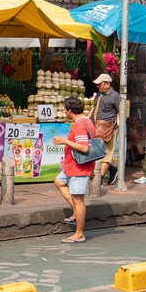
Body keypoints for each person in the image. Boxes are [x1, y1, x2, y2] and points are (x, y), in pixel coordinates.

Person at [53, 97, 96, 244]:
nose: (65, 112)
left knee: (78, 200)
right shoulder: (86, 120)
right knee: (59, 181)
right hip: (73, 165)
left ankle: (79, 234)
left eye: (65, 110)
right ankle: (77, 214)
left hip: (79, 167)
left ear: (70, 110)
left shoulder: (79, 125)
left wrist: (63, 141)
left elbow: (84, 147)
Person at [90, 73, 119, 186]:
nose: (98, 86)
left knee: (107, 154)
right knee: (97, 153)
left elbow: (121, 112)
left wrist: (115, 127)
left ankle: (99, 179)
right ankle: (111, 169)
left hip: (109, 129)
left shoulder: (115, 96)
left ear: (107, 84)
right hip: (97, 128)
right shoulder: (98, 95)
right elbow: (94, 110)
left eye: (100, 84)